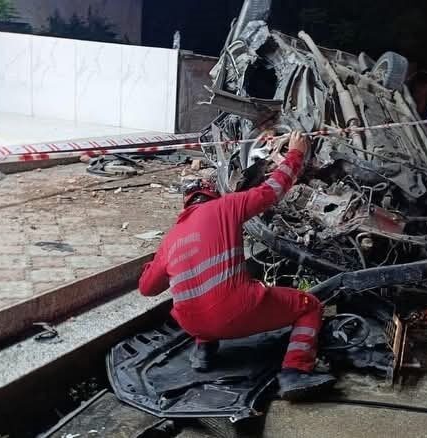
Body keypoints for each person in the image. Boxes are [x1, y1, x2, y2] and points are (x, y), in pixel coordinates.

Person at [138, 131, 336, 401]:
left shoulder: (171, 238)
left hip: (193, 326)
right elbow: (272, 191)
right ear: (213, 194)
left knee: (201, 294)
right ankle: (295, 372)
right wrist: (296, 153)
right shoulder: (225, 206)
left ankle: (204, 352)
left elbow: (147, 288)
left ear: (187, 203)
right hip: (236, 310)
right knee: (310, 305)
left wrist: (158, 259)